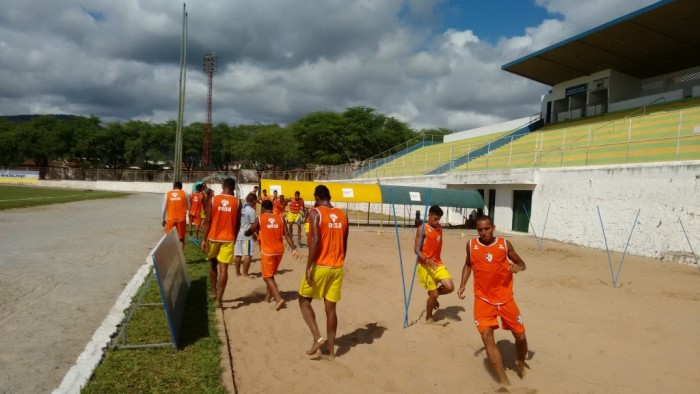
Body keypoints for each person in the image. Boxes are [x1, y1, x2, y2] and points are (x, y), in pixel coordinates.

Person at [458, 215, 528, 388]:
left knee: (520, 336)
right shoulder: (472, 245)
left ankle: (519, 360)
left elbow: (521, 262)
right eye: (480, 230)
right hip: (483, 300)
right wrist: (462, 285)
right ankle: (504, 382)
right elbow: (468, 264)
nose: (483, 232)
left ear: (493, 227)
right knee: (486, 336)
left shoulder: (504, 245)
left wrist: (518, 267)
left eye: (487, 229)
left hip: (505, 299)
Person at [298, 185, 348, 359]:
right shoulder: (343, 214)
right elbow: (345, 243)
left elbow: (316, 240)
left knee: (303, 299)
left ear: (317, 198)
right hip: (338, 266)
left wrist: (308, 266)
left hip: (321, 265)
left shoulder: (315, 213)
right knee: (331, 309)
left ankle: (318, 338)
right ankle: (332, 350)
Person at [245, 199, 299, 310]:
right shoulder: (280, 218)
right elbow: (287, 235)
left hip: (267, 252)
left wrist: (245, 232)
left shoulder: (260, 218)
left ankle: (278, 299)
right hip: (279, 251)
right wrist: (293, 249)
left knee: (267, 276)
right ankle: (267, 297)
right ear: (272, 207)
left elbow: (251, 230)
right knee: (271, 274)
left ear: (263, 209)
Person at [201, 178, 242, 308]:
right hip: (228, 238)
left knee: (213, 263)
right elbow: (238, 223)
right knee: (224, 268)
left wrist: (203, 239)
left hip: (213, 237)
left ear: (223, 186)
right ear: (233, 189)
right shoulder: (237, 202)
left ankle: (213, 292)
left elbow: (208, 220)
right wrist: (234, 237)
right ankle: (219, 300)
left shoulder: (213, 199)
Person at [414, 205, 454, 322]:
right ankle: (429, 316)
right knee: (434, 294)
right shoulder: (422, 229)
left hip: (437, 263)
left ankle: (432, 294)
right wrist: (426, 259)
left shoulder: (440, 228)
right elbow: (416, 249)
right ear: (429, 216)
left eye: (439, 219)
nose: (437, 221)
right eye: (435, 219)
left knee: (450, 287)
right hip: (425, 265)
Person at [234, 193, 257, 278]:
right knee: (248, 254)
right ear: (254, 201)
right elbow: (253, 225)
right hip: (247, 234)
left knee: (238, 254)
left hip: (239, 233)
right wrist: (254, 234)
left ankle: (237, 272)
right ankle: (245, 273)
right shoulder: (251, 210)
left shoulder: (241, 208)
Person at [161, 181, 189, 249]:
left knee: (169, 238)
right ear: (181, 187)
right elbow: (189, 207)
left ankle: (171, 255)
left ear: (173, 187)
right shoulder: (184, 193)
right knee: (181, 239)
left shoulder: (167, 194)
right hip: (181, 219)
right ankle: (180, 256)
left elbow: (163, 209)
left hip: (171, 219)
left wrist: (163, 219)